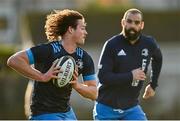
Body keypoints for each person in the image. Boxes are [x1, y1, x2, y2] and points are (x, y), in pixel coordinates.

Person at [7, 9, 97, 120]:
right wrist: (42, 76)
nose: (85, 32)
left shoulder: (84, 58)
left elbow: (94, 93)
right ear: (70, 29)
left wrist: (77, 86)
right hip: (44, 113)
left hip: (66, 113)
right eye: (82, 28)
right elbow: (14, 60)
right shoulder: (47, 50)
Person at [93, 8, 162, 120]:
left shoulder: (149, 44)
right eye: (129, 21)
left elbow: (158, 58)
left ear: (142, 25)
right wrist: (131, 76)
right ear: (123, 22)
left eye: (136, 22)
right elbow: (103, 77)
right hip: (106, 108)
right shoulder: (112, 44)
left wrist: (153, 84)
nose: (132, 25)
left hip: (131, 108)